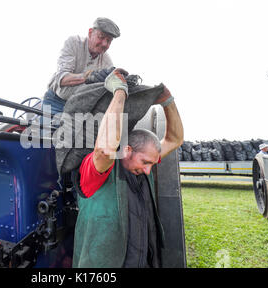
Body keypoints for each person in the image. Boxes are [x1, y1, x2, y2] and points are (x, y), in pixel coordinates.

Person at [72, 68, 184, 268]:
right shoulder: (98, 169)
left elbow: (175, 139)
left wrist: (168, 101)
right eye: (145, 162)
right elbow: (105, 150)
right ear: (128, 150)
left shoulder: (140, 167)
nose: (150, 170)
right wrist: (120, 92)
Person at [43, 17, 120, 116]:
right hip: (55, 101)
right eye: (101, 37)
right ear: (90, 33)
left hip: (79, 108)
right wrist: (89, 76)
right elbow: (62, 78)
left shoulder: (107, 62)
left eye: (109, 41)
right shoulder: (73, 43)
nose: (104, 44)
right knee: (45, 130)